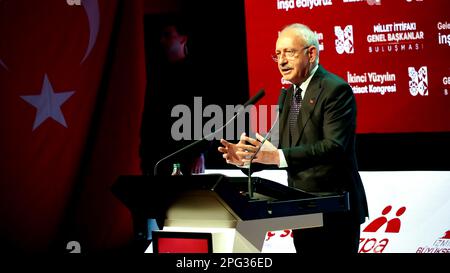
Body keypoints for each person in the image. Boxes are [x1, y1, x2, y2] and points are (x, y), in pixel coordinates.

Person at [218, 23, 369, 254]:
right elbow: (283, 148)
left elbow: (333, 147)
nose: (281, 61)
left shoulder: (335, 90)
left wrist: (275, 155)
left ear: (311, 53)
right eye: (277, 54)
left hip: (335, 209)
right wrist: (249, 159)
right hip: (301, 209)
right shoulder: (289, 94)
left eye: (289, 52)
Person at [140, 16, 208, 177]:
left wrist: (199, 153)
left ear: (183, 39)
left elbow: (206, 116)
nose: (162, 40)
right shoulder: (156, 74)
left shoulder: (196, 75)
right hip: (158, 157)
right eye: (161, 36)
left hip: (186, 157)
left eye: (168, 35)